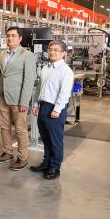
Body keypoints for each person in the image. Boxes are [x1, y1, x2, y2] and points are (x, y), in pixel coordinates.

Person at [0, 26, 36, 170]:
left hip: (18, 100)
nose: (10, 38)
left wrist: (25, 101)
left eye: (13, 35)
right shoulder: (2, 54)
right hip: (2, 98)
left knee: (20, 129)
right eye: (8, 35)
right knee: (4, 127)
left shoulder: (27, 55)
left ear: (20, 38)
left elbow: (29, 80)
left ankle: (22, 157)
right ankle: (7, 152)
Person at [31, 40, 74, 180]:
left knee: (55, 140)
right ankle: (46, 162)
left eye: (56, 50)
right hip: (43, 106)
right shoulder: (46, 68)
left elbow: (65, 92)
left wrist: (57, 109)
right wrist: (36, 104)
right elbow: (39, 88)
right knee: (45, 138)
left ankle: (55, 167)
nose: (52, 52)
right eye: (50, 49)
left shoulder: (66, 71)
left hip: (55, 108)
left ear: (64, 54)